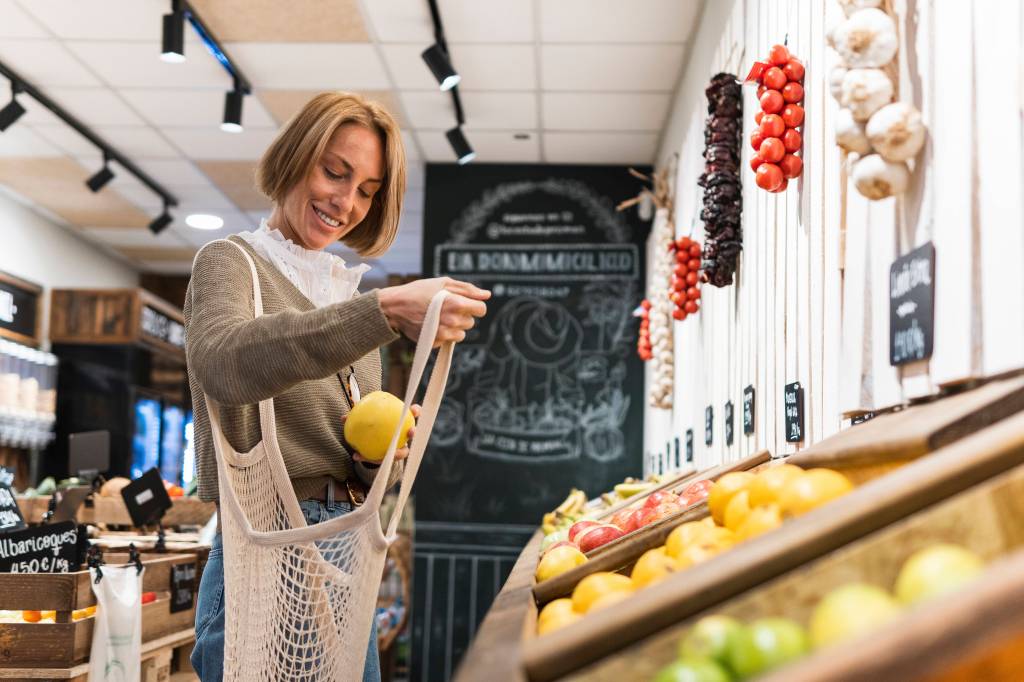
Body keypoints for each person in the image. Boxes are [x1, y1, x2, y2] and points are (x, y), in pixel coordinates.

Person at [185, 91, 489, 681]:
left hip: (344, 552)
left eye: (367, 190)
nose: (346, 202)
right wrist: (384, 310)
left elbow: (353, 468)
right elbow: (221, 363)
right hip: (267, 546)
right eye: (335, 171)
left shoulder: (344, 296)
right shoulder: (230, 264)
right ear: (298, 156)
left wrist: (382, 455)